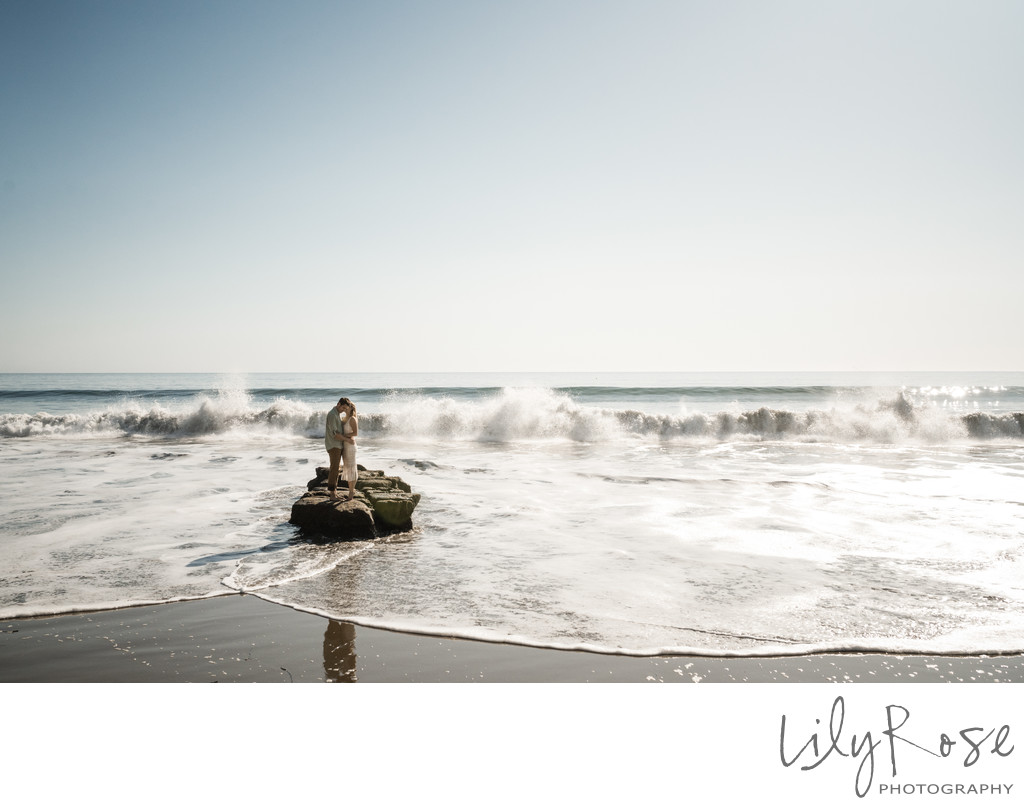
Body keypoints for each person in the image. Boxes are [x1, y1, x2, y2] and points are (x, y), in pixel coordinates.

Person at [324, 397, 353, 501]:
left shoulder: (336, 414)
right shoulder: (332, 415)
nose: (344, 410)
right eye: (343, 408)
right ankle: (332, 495)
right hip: (333, 445)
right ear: (338, 404)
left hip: (337, 445)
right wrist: (347, 440)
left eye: (345, 409)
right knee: (334, 469)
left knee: (336, 469)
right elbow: (335, 435)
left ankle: (334, 493)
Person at [337, 397, 359, 501]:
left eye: (348, 407)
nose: (345, 408)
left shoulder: (352, 419)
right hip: (345, 445)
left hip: (350, 446)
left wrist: (343, 435)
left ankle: (351, 493)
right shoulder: (343, 418)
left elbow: (355, 433)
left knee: (351, 468)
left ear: (351, 408)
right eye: (345, 407)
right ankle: (350, 491)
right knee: (347, 468)